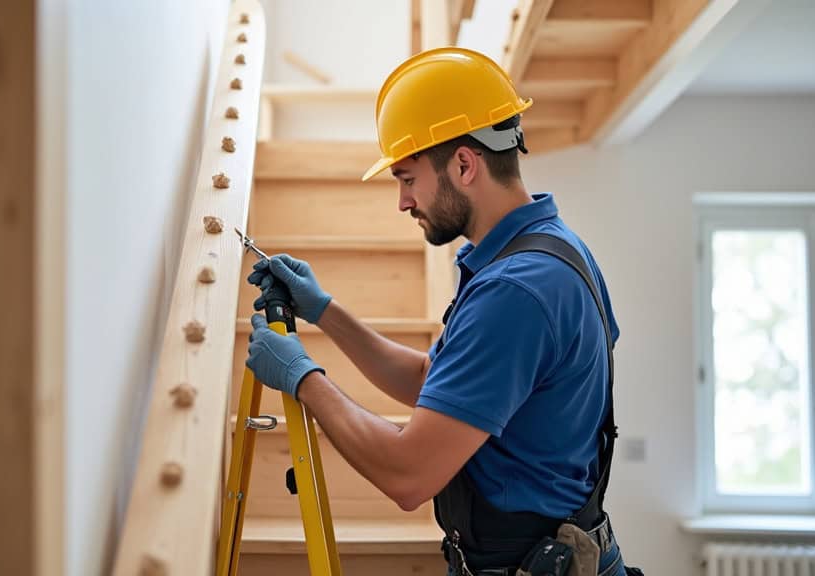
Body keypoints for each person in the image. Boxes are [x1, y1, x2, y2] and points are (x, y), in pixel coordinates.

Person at [244, 47, 639, 576]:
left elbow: (409, 474)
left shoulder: (517, 291)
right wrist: (325, 312)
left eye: (407, 178)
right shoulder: (542, 252)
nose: (404, 202)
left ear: (463, 163)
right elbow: (434, 382)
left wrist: (301, 378)